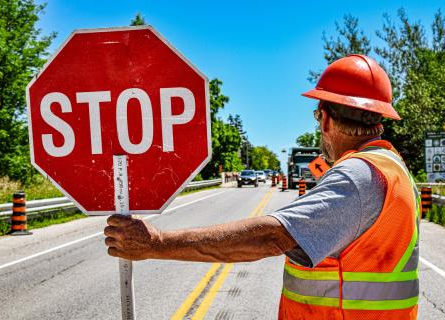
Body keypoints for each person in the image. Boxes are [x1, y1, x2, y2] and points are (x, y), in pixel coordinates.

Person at [104, 54, 420, 320]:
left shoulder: (357, 176)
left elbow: (270, 237)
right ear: (379, 119)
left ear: (324, 119)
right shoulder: (392, 168)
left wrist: (156, 243)